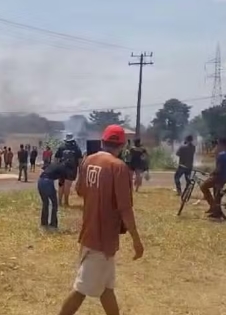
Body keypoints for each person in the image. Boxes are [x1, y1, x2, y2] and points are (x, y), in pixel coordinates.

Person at [58, 125, 144, 315]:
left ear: (103, 141)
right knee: (81, 289)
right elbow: (125, 208)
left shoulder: (89, 160)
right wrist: (136, 240)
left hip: (90, 232)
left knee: (106, 289)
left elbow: (80, 190)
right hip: (102, 239)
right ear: (122, 145)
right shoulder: (118, 167)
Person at [199, 137, 226, 219]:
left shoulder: (221, 155)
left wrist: (211, 173)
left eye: (218, 144)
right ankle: (216, 211)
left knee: (203, 186)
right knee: (217, 192)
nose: (217, 146)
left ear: (221, 145)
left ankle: (214, 207)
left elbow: (218, 169)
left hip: (219, 176)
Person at [55, 133, 83, 207]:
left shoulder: (61, 146)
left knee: (61, 185)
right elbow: (80, 160)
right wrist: (80, 171)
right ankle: (66, 202)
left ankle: (59, 202)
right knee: (67, 185)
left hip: (61, 168)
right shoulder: (76, 148)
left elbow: (56, 159)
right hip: (71, 169)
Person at [37, 161, 68, 229]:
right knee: (54, 204)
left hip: (40, 181)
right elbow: (61, 182)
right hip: (48, 182)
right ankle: (53, 224)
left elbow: (44, 168)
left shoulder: (54, 163)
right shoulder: (63, 168)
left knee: (45, 203)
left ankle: (44, 223)